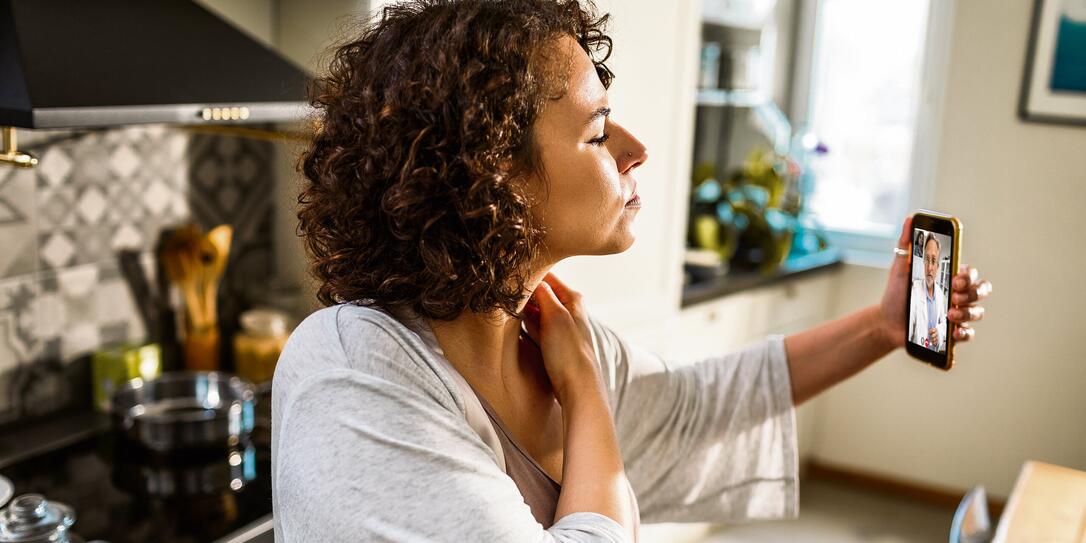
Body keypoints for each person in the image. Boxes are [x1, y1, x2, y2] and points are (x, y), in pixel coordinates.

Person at [272, 1, 994, 541]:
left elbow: (698, 410)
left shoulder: (543, 332)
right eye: (597, 130)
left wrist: (880, 327)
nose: (636, 146)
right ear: (498, 174)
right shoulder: (351, 365)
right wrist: (586, 398)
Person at [910, 233, 949, 351]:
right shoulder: (914, 291)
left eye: (933, 260)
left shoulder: (940, 295)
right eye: (927, 259)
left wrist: (939, 332)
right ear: (923, 263)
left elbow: (944, 323)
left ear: (938, 266)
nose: (929, 267)